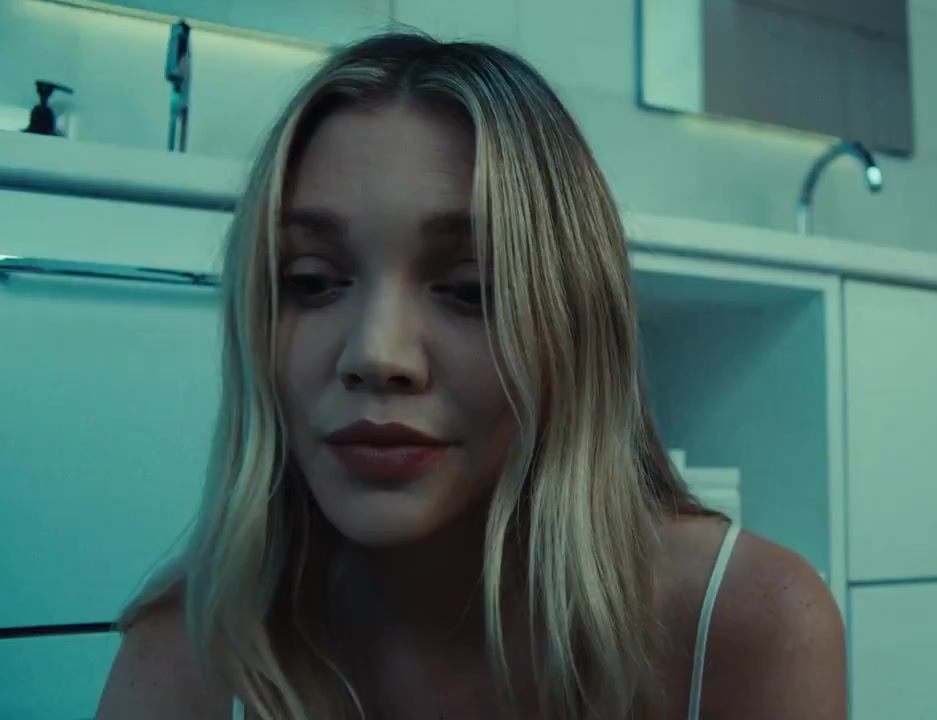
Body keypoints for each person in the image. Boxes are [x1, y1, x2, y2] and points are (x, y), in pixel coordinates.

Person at [94, 31, 846, 720]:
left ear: (576, 328)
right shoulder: (186, 652)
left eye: (470, 290)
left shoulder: (749, 623)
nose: (376, 355)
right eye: (312, 282)